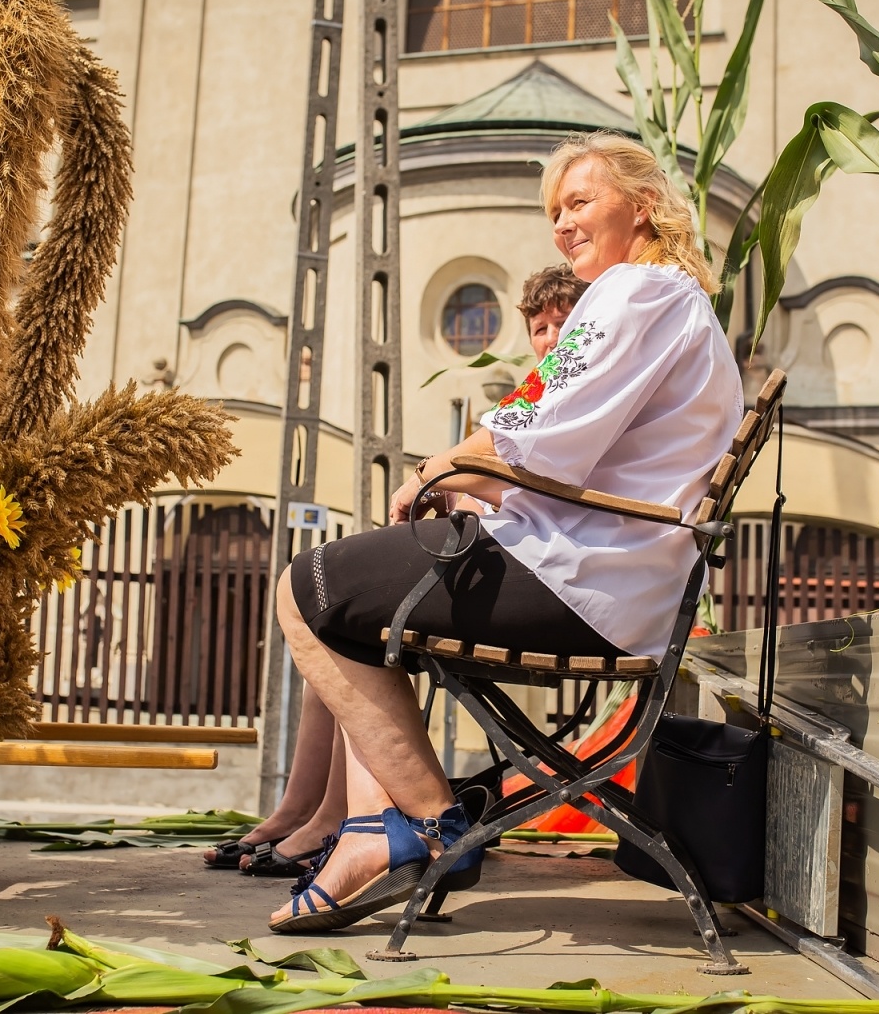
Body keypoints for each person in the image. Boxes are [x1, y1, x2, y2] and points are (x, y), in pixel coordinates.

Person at [262, 131, 744, 933]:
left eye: (580, 202)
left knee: (303, 589)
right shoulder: (669, 302)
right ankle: (370, 830)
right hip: (607, 575)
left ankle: (424, 824)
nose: (562, 224)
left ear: (644, 205)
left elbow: (541, 438)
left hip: (576, 577)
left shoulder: (636, 294)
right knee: (349, 607)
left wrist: (432, 472)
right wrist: (463, 469)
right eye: (554, 212)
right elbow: (553, 436)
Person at [201, 264, 589, 873]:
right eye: (539, 327)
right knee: (331, 623)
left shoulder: (576, 387)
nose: (549, 336)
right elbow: (508, 481)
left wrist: (441, 478)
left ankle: (376, 819)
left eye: (563, 322)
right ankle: (306, 808)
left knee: (338, 606)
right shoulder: (549, 386)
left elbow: (535, 484)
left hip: (543, 576)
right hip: (523, 558)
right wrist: (458, 489)